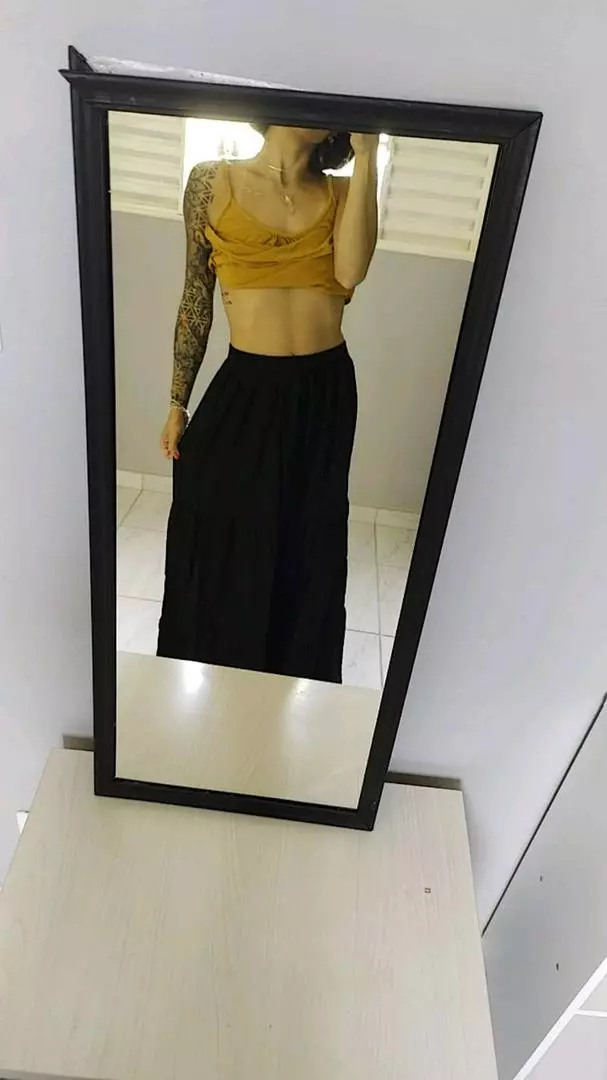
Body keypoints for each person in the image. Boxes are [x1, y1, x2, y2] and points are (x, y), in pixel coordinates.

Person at [156, 125, 378, 683]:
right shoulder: (211, 181)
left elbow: (350, 272)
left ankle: (289, 687)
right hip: (246, 384)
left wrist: (369, 154)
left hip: (325, 390)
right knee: (226, 533)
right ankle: (213, 675)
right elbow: (195, 295)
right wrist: (178, 400)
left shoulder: (345, 192)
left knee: (308, 540)